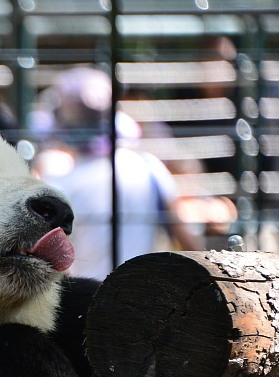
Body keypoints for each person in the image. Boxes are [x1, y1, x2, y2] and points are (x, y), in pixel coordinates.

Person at [36, 67, 203, 281]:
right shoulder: (148, 167)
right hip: (145, 291)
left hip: (89, 297)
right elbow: (189, 242)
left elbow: (54, 270)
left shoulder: (58, 188)